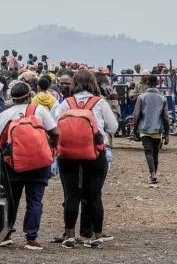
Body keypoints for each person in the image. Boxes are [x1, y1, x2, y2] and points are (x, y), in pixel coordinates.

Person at [50, 69, 118, 248]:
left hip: (68, 154)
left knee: (71, 194)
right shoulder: (100, 103)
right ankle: (95, 236)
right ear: (93, 83)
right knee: (94, 194)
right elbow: (113, 127)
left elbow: (53, 126)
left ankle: (70, 235)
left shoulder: (65, 103)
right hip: (95, 153)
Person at [0, 82, 58, 250]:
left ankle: (6, 234)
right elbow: (55, 132)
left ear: (12, 98)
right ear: (29, 96)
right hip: (39, 162)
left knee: (12, 200)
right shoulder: (39, 111)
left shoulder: (5, 114)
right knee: (35, 201)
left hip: (13, 164)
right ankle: (31, 238)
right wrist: (52, 149)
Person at [130, 74, 170, 186]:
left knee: (148, 151)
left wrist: (135, 129)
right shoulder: (163, 98)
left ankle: (152, 173)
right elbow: (166, 117)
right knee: (155, 152)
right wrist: (167, 134)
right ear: (157, 84)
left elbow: (136, 115)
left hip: (145, 129)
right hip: (157, 130)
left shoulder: (141, 97)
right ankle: (154, 173)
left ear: (147, 83)